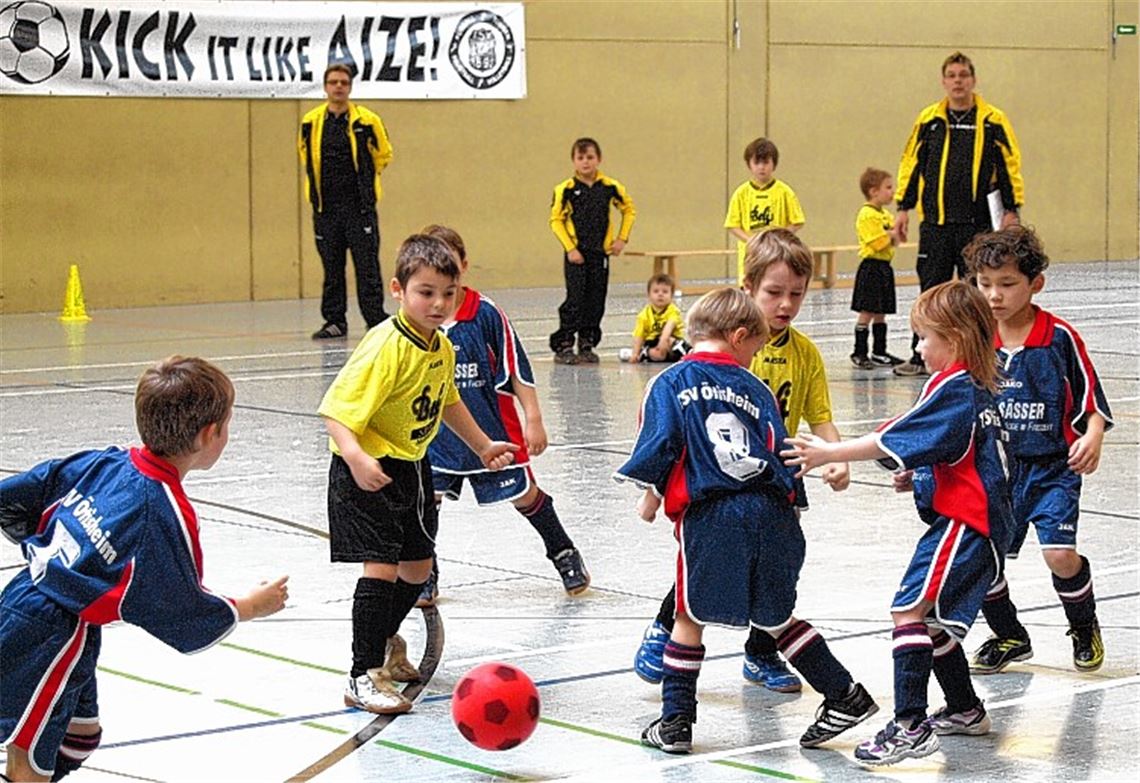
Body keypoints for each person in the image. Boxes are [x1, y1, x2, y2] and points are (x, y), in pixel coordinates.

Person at [0, 356, 289, 782]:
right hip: (53, 631)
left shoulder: (105, 462)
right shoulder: (162, 509)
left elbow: (23, 493)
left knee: (80, 737)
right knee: (29, 760)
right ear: (209, 434)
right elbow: (181, 605)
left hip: (28, 598)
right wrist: (250, 606)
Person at [617, 287, 877, 755]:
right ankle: (845, 695)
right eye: (755, 349)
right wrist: (792, 508)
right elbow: (780, 450)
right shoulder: (757, 389)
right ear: (738, 337)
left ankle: (675, 721)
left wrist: (650, 495)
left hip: (715, 514)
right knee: (776, 618)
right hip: (775, 512)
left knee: (688, 616)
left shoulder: (671, 381)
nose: (753, 357)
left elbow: (662, 443)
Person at [782, 281, 1015, 766]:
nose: (919, 348)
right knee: (930, 621)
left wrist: (830, 451)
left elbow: (895, 435)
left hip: (966, 523)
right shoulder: (976, 387)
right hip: (980, 524)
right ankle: (965, 709)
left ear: (955, 338)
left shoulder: (954, 385)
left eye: (925, 338)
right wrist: (921, 476)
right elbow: (962, 455)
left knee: (907, 612)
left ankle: (910, 726)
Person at [633, 230, 851, 694]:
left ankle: (762, 653)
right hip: (719, 479)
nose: (786, 304)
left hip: (774, 479)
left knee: (772, 567)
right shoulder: (723, 348)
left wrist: (835, 456)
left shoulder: (805, 355)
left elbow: (821, 417)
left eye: (797, 294)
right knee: (706, 555)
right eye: (774, 292)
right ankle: (666, 626)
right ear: (747, 288)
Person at [318, 234, 518, 715]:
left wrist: (483, 445)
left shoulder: (440, 347)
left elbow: (448, 401)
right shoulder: (385, 345)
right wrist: (356, 457)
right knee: (381, 567)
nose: (438, 303)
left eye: (448, 293)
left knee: (417, 569)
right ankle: (361, 673)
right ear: (398, 290)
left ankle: (384, 640)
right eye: (425, 292)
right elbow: (335, 411)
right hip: (366, 468)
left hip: (411, 465)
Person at [964, 226, 1113, 674]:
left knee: (1060, 556)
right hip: (995, 473)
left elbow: (1091, 398)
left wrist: (1093, 434)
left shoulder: (1059, 338)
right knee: (981, 561)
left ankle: (1083, 625)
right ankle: (1010, 634)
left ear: (1035, 284)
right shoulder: (974, 339)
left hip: (1052, 470)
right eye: (984, 283)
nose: (994, 295)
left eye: (1007, 284)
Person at [419, 224, 589, 607]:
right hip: (437, 437)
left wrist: (534, 418)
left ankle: (563, 551)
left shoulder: (486, 314)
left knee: (524, 495)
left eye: (449, 264)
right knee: (427, 500)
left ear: (463, 265)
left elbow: (517, 369)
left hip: (493, 432)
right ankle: (424, 572)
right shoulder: (419, 320)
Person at [892, 51, 1024, 376]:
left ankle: (980, 354)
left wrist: (1012, 210)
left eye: (963, 75)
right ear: (943, 81)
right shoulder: (929, 121)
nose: (958, 81)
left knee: (977, 291)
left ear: (973, 80)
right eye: (951, 76)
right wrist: (902, 208)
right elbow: (911, 164)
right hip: (936, 225)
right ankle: (920, 355)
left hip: (976, 226)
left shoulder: (992, 121)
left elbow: (1009, 165)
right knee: (930, 289)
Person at [299, 63, 394, 340]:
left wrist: (367, 181)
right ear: (325, 87)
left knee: (367, 266)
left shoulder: (367, 120)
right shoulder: (310, 122)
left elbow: (384, 154)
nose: (338, 87)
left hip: (359, 209)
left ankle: (375, 319)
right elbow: (305, 155)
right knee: (332, 268)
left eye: (343, 82)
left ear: (350, 87)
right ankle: (334, 321)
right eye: (333, 82)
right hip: (326, 210)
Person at [548, 137, 637, 365]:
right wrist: (570, 248)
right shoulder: (565, 189)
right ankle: (564, 344)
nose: (585, 162)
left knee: (596, 299)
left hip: (600, 254)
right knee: (575, 298)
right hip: (577, 255)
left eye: (590, 157)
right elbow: (556, 220)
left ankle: (587, 343)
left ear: (599, 159)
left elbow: (629, 210)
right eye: (580, 158)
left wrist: (622, 238)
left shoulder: (610, 187)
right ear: (573, 161)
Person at [724, 137, 805, 286]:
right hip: (751, 255)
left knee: (773, 286)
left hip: (776, 254)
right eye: (757, 163)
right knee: (751, 289)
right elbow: (732, 225)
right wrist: (752, 241)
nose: (761, 167)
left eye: (766, 162)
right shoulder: (741, 193)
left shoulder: (784, 192)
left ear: (774, 164)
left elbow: (797, 221)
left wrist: (779, 240)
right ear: (749, 165)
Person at [851, 168, 905, 369]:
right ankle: (859, 351)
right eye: (888, 188)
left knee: (881, 311)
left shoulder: (886, 215)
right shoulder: (867, 215)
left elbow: (895, 241)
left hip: (885, 267)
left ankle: (879, 351)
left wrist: (896, 233)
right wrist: (891, 234)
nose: (892, 192)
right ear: (873, 191)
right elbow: (877, 243)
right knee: (867, 311)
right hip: (871, 268)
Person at [622, 273, 690, 363]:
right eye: (656, 291)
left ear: (671, 295)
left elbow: (670, 325)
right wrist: (635, 353)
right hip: (653, 342)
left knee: (672, 342)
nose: (660, 294)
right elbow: (639, 335)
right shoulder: (643, 315)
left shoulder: (673, 310)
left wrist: (663, 340)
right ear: (649, 295)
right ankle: (644, 354)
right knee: (655, 354)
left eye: (665, 292)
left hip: (670, 339)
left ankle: (686, 353)